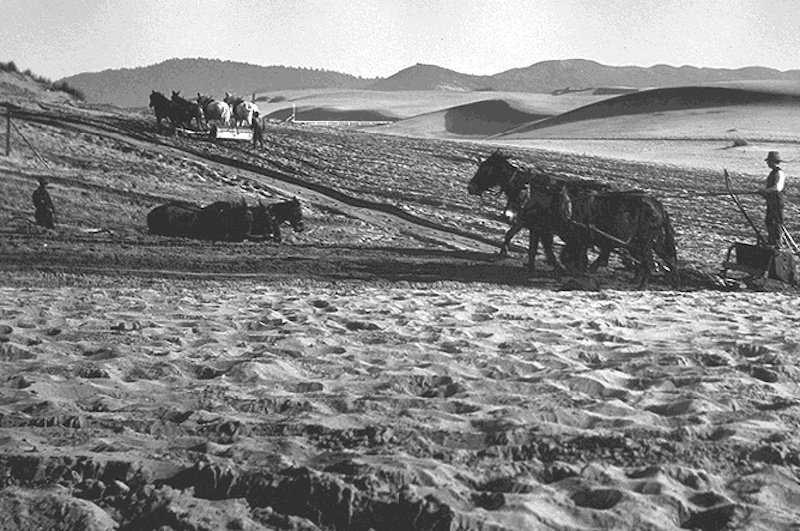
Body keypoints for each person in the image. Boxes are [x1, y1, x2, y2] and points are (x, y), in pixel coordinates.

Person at [757, 151, 786, 248]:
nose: (767, 163)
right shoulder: (771, 173)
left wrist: (765, 191)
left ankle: (778, 242)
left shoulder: (779, 173)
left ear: (773, 162)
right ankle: (771, 241)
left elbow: (778, 188)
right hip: (771, 200)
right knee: (768, 220)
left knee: (777, 221)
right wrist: (763, 193)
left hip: (777, 200)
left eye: (769, 161)